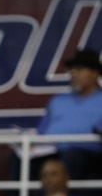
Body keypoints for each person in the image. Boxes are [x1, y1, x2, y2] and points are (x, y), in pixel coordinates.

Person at [36, 48, 102, 180]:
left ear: (95, 73)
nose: (73, 74)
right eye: (72, 70)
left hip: (87, 153)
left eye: (79, 70)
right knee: (19, 157)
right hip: (51, 150)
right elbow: (41, 131)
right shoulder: (58, 100)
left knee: (70, 156)